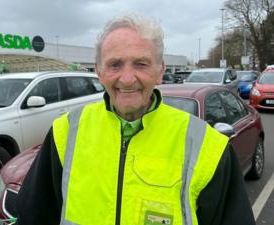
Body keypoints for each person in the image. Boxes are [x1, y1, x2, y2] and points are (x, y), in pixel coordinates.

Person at [16, 14, 255, 225]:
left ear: (160, 71)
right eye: (115, 65)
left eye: (141, 64)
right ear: (99, 72)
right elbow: (33, 217)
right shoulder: (65, 132)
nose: (127, 78)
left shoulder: (207, 147)